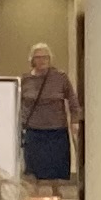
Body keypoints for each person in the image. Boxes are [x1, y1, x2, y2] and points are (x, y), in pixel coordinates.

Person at [21, 43, 81, 184]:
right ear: (32, 60)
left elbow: (72, 100)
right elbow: (18, 103)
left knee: (55, 169)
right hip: (33, 130)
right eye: (38, 57)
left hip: (56, 130)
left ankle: (56, 196)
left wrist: (75, 121)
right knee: (33, 170)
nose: (42, 60)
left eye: (45, 57)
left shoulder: (60, 77)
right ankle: (35, 199)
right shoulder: (25, 80)